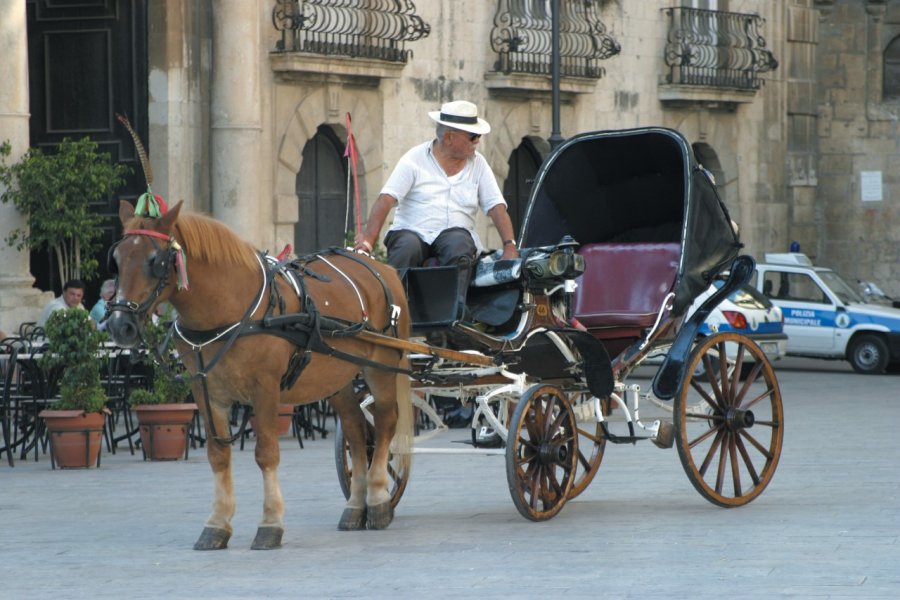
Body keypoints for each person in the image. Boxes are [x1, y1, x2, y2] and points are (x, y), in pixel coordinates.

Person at [353, 100, 519, 316]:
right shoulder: (413, 160)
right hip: (413, 230)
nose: (477, 141)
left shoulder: (479, 165)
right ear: (449, 137)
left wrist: (510, 245)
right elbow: (386, 199)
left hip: (455, 235)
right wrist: (367, 240)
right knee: (407, 246)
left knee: (459, 242)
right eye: (472, 136)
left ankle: (454, 311)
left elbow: (496, 207)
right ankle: (391, 307)